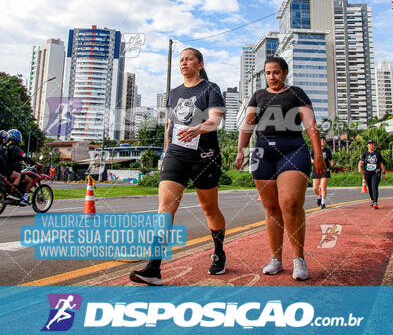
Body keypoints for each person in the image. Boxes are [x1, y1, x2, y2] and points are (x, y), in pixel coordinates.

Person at [130, 47, 226, 286]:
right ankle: (154, 267)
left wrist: (200, 127)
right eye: (181, 59)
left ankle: (219, 252)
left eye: (189, 59)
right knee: (165, 208)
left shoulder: (210, 89)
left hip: (205, 156)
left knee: (209, 209)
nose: (184, 63)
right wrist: (165, 152)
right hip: (176, 155)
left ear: (200, 64)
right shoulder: (174, 93)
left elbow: (215, 119)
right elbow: (170, 125)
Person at [236, 56, 325, 281]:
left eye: (276, 72)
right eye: (268, 73)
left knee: (290, 203)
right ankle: (276, 259)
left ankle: (299, 259)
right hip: (261, 152)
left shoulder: (296, 93)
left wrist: (318, 155)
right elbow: (248, 125)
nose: (272, 77)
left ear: (285, 73)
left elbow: (311, 126)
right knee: (271, 208)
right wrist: (241, 150)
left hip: (293, 149)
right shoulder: (258, 96)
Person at [4, 129, 36, 205]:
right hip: (12, 171)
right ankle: (24, 198)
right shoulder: (15, 148)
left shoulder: (5, 147)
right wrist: (34, 162)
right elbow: (25, 157)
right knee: (29, 181)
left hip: (6, 171)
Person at [359, 139, 386, 209]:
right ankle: (373, 200)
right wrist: (360, 168)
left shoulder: (377, 154)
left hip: (376, 172)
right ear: (367, 145)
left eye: (372, 144)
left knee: (374, 187)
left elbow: (382, 163)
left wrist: (383, 173)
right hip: (367, 173)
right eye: (370, 144)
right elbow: (361, 162)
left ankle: (375, 202)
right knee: (370, 188)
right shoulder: (365, 154)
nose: (371, 145)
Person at [311, 137, 333, 209]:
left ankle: (323, 203)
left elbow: (331, 159)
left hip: (325, 170)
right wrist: (314, 162)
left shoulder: (327, 151)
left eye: (324, 140)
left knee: (323, 186)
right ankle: (318, 196)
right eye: (321, 140)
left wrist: (332, 164)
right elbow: (310, 157)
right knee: (315, 188)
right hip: (316, 170)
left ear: (325, 142)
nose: (322, 141)